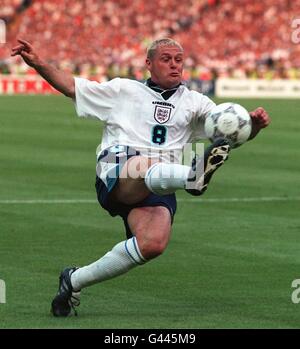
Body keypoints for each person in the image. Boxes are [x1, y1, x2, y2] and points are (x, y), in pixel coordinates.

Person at [11, 38, 270, 317]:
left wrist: (251, 127)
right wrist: (37, 63)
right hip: (119, 167)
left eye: (178, 59)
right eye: (166, 59)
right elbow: (72, 86)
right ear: (149, 64)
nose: (174, 64)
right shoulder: (123, 89)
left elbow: (227, 135)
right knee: (146, 164)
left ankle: (74, 281)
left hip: (161, 180)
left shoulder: (196, 103)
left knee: (153, 243)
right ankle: (191, 177)